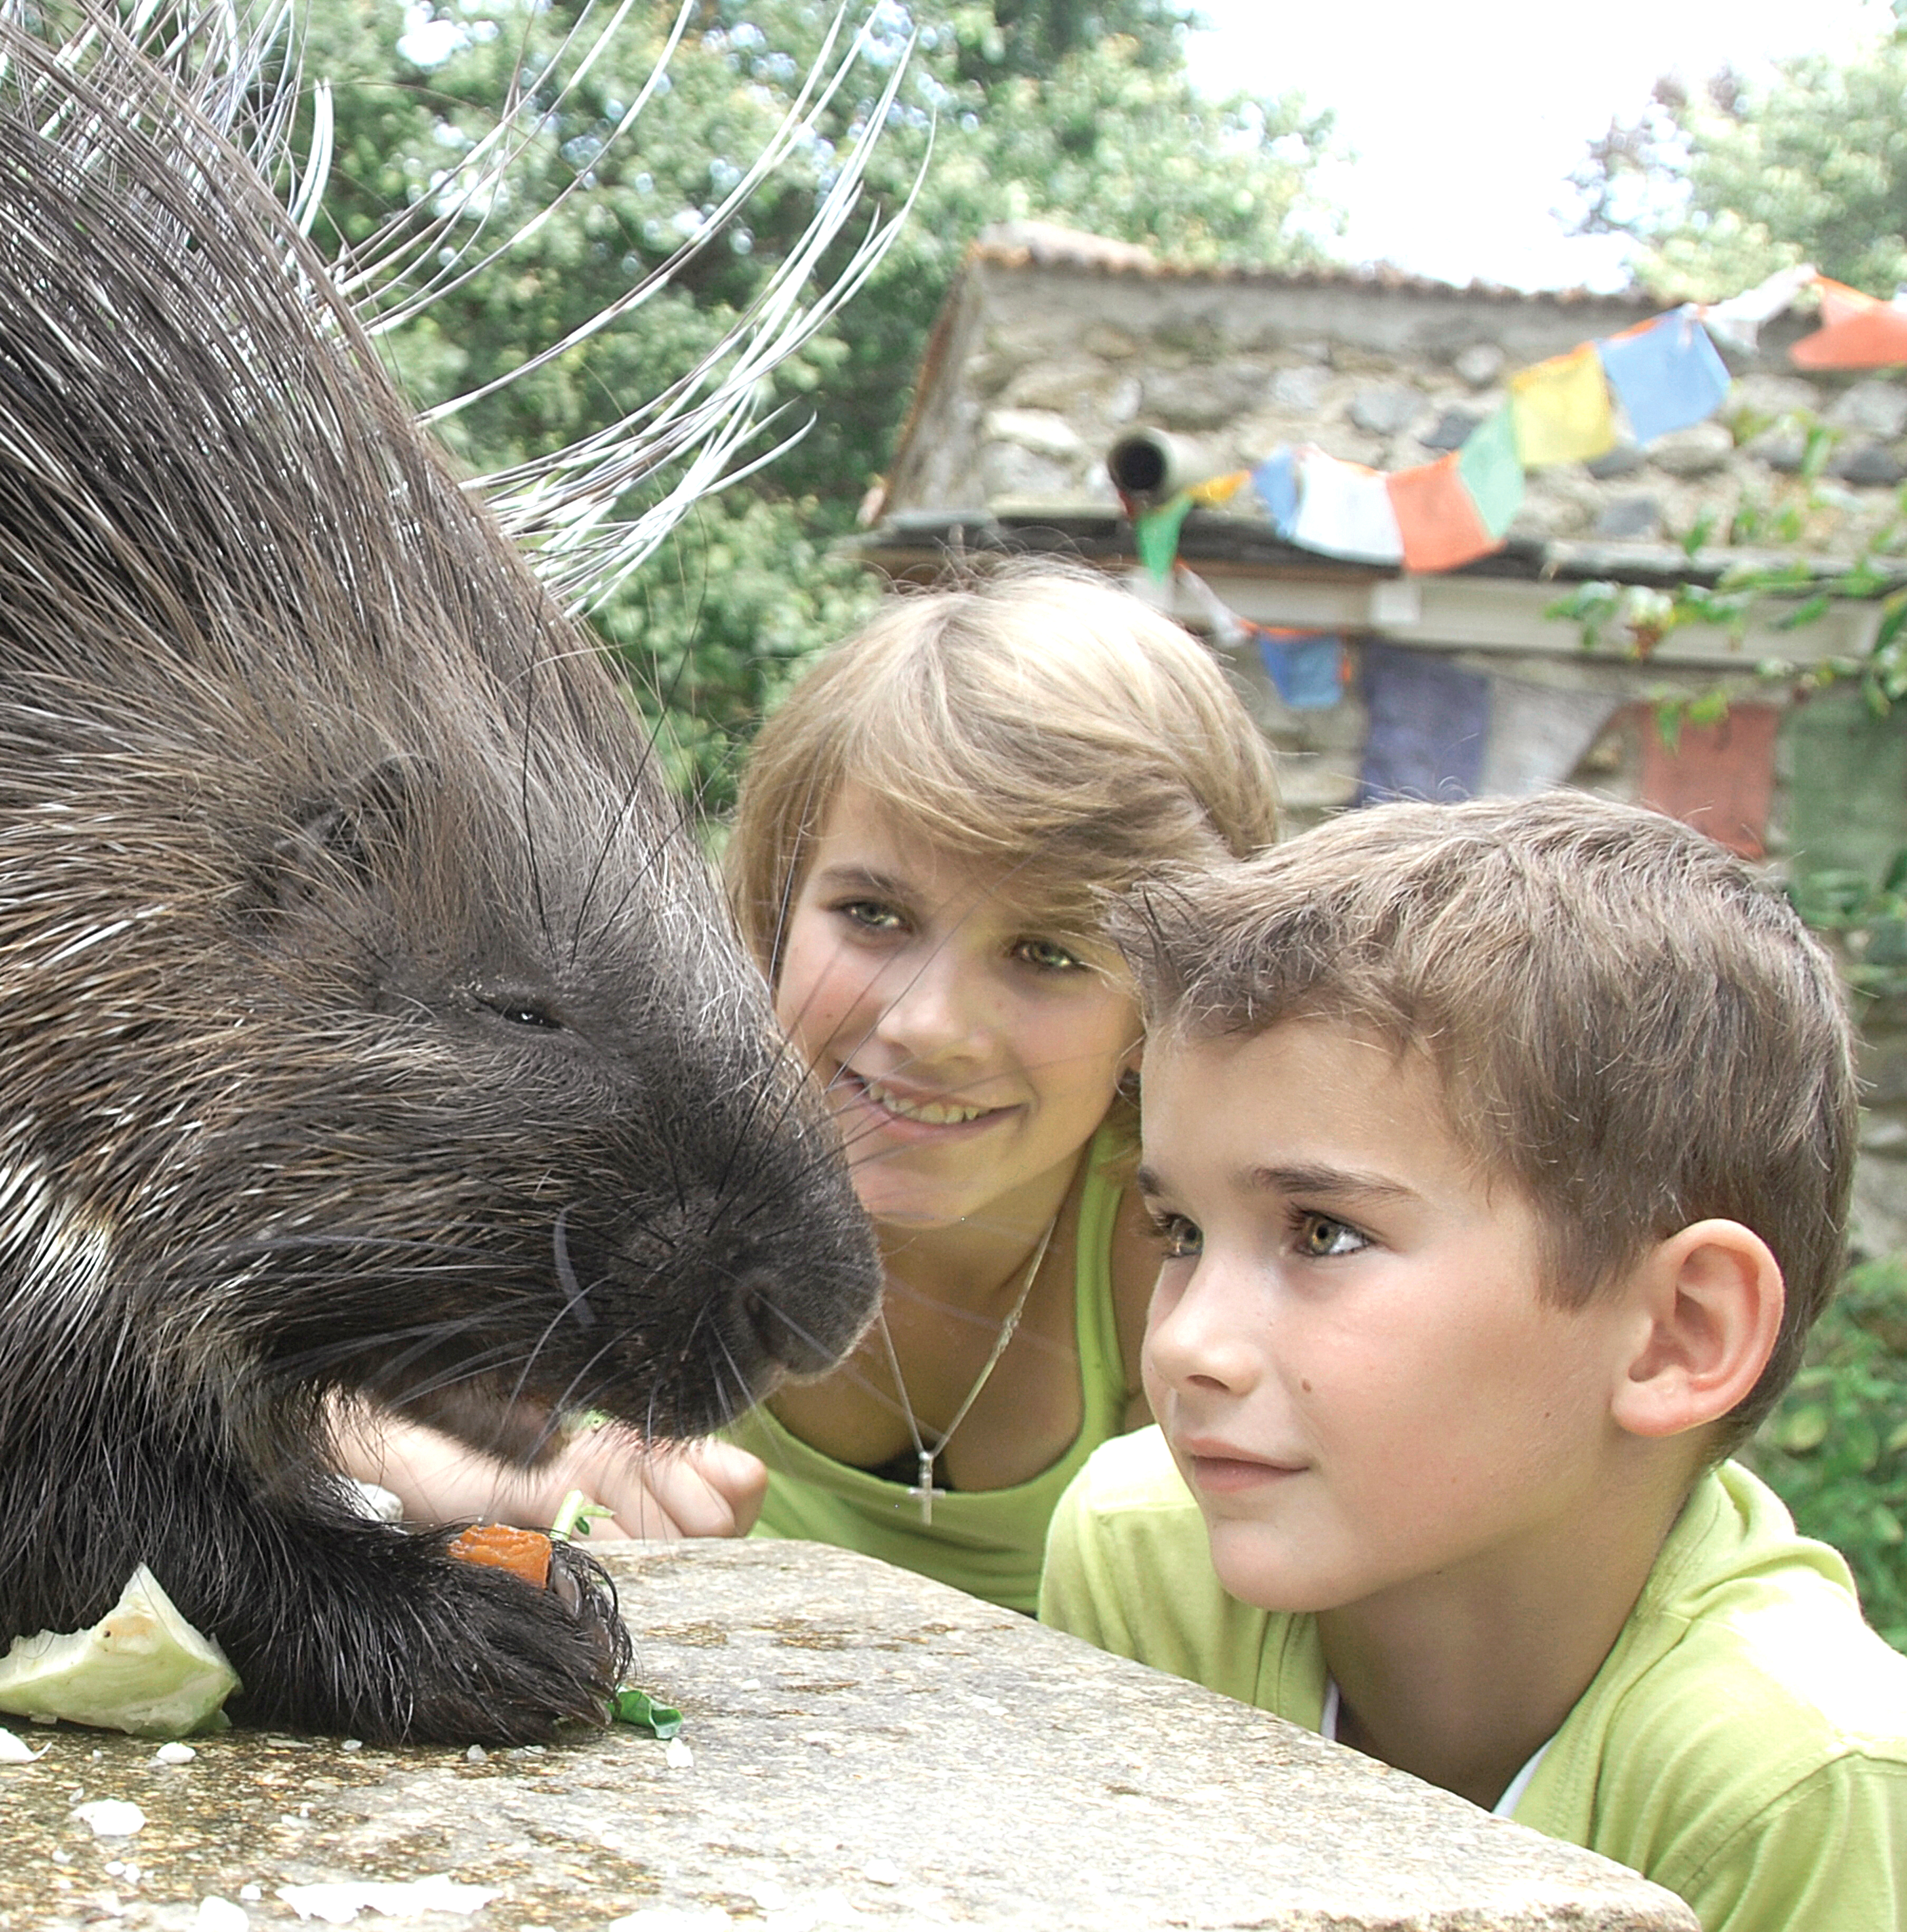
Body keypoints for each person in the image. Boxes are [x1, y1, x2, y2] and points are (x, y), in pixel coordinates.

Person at [342, 559, 1283, 1611]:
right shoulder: (605, 1151)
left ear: (1156, 1006)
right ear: (775, 906)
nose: (929, 1025)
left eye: (1048, 953)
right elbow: (256, 1351)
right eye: (873, 914)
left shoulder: (1199, 1254)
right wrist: (473, 1466)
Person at [1039, 793, 1907, 1932]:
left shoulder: (1790, 1778)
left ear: (1676, 1331)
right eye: (1180, 1234)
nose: (1185, 1341)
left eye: (1321, 1232)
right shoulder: (1142, 1557)